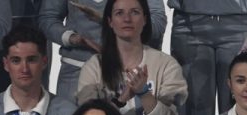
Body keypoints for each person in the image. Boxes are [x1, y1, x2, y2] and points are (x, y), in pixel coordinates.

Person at [38, 0, 167, 99]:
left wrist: (110, 20)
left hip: (128, 74)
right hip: (75, 72)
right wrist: (71, 38)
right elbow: (48, 18)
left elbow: (157, 24)